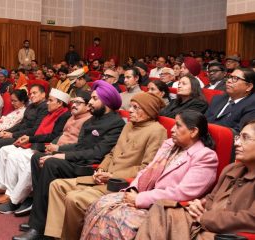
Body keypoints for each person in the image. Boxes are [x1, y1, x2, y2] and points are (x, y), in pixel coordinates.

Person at [45, 92, 167, 240]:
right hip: (104, 176)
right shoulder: (129, 125)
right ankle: (55, 235)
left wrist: (112, 176)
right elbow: (112, 153)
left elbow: (146, 169)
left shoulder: (157, 131)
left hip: (119, 184)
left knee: (73, 198)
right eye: (131, 106)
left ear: (148, 111)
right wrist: (101, 169)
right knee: (57, 185)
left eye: (136, 107)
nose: (130, 110)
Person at [12, 80, 125, 240]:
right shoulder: (92, 120)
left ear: (106, 101)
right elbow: (80, 146)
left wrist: (62, 155)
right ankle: (39, 217)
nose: (90, 103)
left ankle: (39, 228)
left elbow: (97, 153)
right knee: (38, 157)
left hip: (90, 166)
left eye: (94, 99)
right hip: (78, 160)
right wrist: (58, 150)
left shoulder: (116, 123)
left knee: (51, 163)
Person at [80, 110, 219, 239]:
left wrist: (140, 198)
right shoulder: (170, 145)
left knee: (117, 219)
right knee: (98, 205)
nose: (172, 129)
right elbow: (146, 170)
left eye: (178, 126)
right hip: (143, 195)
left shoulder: (205, 156)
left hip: (166, 209)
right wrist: (133, 189)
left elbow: (183, 193)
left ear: (193, 131)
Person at [136, 119, 255, 240]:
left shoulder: (205, 156)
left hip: (222, 234)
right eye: (238, 137)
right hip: (202, 224)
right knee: (161, 206)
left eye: (245, 138)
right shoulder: (231, 169)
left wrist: (204, 217)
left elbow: (251, 219)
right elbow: (211, 198)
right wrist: (199, 204)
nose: (237, 143)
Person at [0, 89, 71, 215]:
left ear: (60, 103)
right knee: (5, 150)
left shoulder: (63, 115)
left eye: (51, 100)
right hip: (37, 142)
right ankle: (5, 187)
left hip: (45, 147)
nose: (48, 103)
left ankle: (14, 197)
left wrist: (29, 139)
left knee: (16, 156)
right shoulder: (50, 112)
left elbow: (51, 136)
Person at [0, 84, 48, 188]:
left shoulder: (44, 108)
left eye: (34, 93)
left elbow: (35, 129)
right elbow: (21, 123)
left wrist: (12, 134)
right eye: (30, 93)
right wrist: (6, 131)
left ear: (43, 94)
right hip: (19, 133)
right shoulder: (31, 106)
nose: (31, 95)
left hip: (28, 137)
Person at [206, 68, 255, 133]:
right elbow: (204, 120)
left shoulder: (252, 105)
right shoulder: (217, 99)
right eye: (229, 77)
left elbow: (239, 132)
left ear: (249, 86)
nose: (229, 80)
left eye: (235, 78)